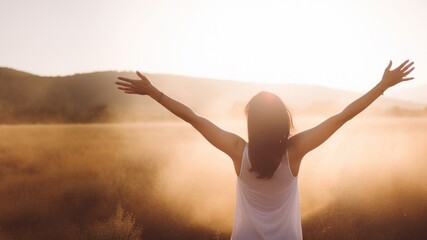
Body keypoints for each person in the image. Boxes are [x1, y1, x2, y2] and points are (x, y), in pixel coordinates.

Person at [115, 60, 415, 240]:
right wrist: (381, 86)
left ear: (252, 125)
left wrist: (153, 92)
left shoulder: (237, 151)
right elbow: (342, 116)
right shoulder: (295, 151)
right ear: (283, 123)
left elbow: (193, 118)